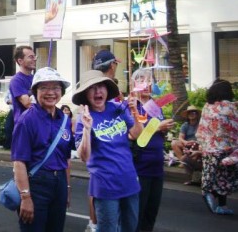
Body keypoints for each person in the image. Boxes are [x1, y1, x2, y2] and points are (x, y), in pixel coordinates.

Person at [74, 70, 143, 232]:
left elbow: (136, 135)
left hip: (129, 181)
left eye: (101, 87)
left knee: (130, 227)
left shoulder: (118, 108)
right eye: (93, 88)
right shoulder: (83, 118)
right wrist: (86, 129)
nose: (98, 91)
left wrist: (134, 112)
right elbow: (84, 156)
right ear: (86, 93)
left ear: (107, 90)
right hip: (105, 186)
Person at [12, 67, 74, 232]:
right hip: (36, 184)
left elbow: (66, 158)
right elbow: (19, 162)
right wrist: (25, 197)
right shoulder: (27, 120)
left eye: (55, 87)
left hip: (59, 182)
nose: (50, 92)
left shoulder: (65, 120)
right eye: (44, 87)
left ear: (61, 91)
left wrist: (67, 189)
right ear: (35, 91)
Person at [129, 69, 174, 232]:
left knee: (151, 213)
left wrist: (165, 130)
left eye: (149, 80)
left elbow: (156, 132)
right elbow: (135, 137)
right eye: (141, 80)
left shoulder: (155, 105)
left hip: (157, 168)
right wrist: (157, 127)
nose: (146, 84)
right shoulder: (132, 105)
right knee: (137, 214)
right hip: (140, 167)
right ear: (134, 84)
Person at [86, 49, 122, 232]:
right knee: (98, 184)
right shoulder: (105, 87)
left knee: (97, 183)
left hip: (109, 142)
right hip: (102, 142)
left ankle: (95, 223)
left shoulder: (96, 84)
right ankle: (95, 223)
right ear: (112, 65)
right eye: (116, 64)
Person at [196, 79, 238, 215]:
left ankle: (211, 195)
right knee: (227, 177)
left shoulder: (207, 107)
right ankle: (218, 200)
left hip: (209, 149)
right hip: (226, 150)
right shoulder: (229, 108)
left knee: (216, 177)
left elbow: (202, 128)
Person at [9, 46, 37, 126]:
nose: (34, 59)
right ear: (20, 61)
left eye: (35, 56)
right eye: (31, 57)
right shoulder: (16, 80)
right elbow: (28, 104)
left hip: (37, 123)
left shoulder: (35, 78)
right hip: (25, 125)